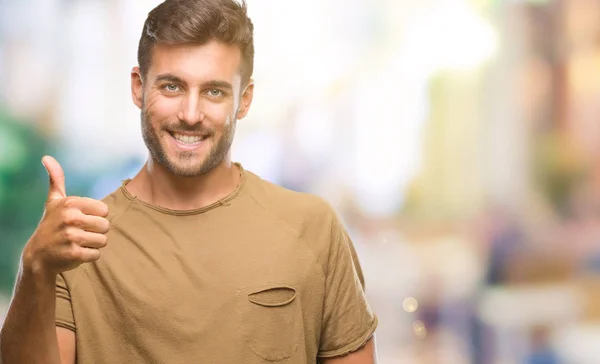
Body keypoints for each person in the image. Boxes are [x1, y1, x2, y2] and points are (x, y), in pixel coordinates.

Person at [0, 0, 378, 363]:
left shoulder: (312, 228)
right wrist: (35, 265)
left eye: (214, 91)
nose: (191, 114)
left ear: (244, 100)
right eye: (171, 86)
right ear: (138, 86)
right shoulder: (79, 243)